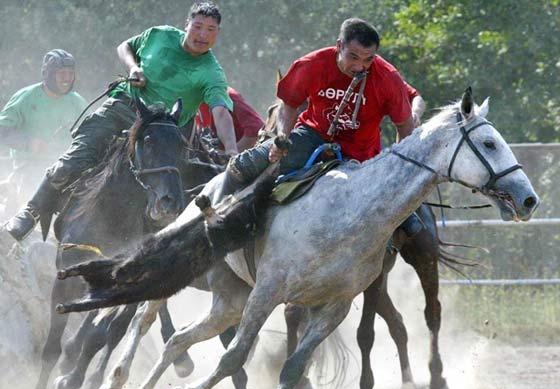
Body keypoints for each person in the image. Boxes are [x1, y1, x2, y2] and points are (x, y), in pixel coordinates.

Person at [5, 1, 237, 241]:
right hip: (123, 107)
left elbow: (220, 111)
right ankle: (31, 212)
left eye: (210, 30)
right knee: (72, 161)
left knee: (172, 188)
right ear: (186, 24)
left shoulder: (212, 72)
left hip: (160, 131)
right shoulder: (160, 35)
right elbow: (125, 46)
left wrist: (231, 150)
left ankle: (156, 248)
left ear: (217, 34)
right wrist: (133, 67)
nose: (202, 35)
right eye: (198, 26)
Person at [220, 18, 424, 236]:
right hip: (311, 136)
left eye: (368, 60)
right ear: (339, 46)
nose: (360, 67)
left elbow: (405, 127)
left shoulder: (387, 77)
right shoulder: (312, 63)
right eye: (353, 57)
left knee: (413, 228)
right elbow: (289, 104)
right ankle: (216, 224)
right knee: (242, 165)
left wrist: (396, 172)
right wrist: (282, 138)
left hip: (363, 152)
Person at [0, 50, 87, 205]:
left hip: (68, 173)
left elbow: (93, 132)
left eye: (70, 73)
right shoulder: (26, 97)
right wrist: (28, 143)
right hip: (28, 170)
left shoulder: (77, 102)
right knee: (25, 214)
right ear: (48, 74)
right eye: (62, 73)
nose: (67, 78)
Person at [197, 86, 265, 151]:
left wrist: (232, 155)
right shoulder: (193, 104)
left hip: (243, 157)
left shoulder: (228, 96)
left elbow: (256, 128)